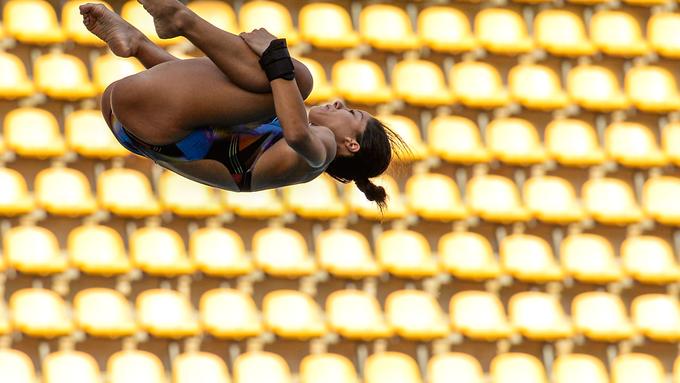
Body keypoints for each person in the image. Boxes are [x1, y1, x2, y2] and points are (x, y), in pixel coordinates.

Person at [81, 0, 407, 209]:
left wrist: (275, 53)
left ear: (350, 144)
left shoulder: (320, 152)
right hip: (131, 122)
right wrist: (139, 47)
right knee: (281, 88)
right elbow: (193, 98)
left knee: (299, 80)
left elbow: (296, 133)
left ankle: (180, 19)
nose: (339, 102)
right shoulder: (272, 137)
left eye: (351, 114)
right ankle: (140, 39)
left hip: (155, 124)